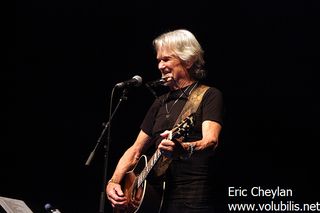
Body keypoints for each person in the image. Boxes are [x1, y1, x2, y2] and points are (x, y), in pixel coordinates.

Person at [106, 29, 224, 213]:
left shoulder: (209, 95)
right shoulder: (159, 102)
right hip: (156, 200)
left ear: (189, 60)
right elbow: (136, 150)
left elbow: (211, 142)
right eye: (159, 60)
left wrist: (183, 148)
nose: (160, 66)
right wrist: (114, 182)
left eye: (166, 59)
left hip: (193, 198)